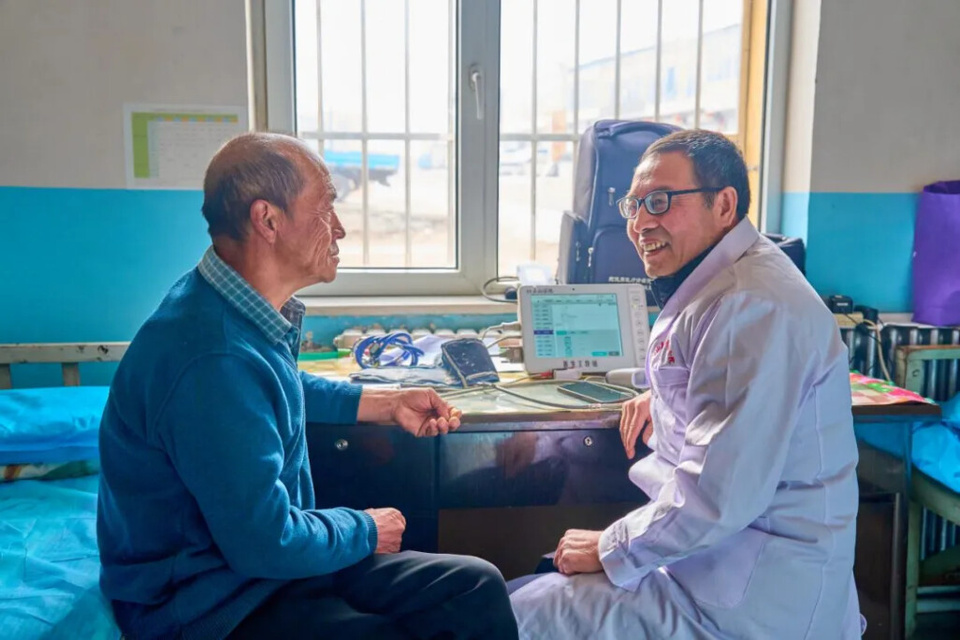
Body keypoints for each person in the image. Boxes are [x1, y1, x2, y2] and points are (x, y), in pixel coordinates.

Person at [97, 132, 519, 640]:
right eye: (325, 210)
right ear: (268, 220)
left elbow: (273, 385)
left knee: (472, 587)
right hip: (209, 602)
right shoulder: (210, 358)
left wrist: (385, 403)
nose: (339, 229)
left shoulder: (226, 305)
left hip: (265, 572)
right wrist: (364, 529)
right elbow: (264, 541)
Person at [509, 129, 862, 639]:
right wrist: (666, 394)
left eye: (659, 201)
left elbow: (718, 496)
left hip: (747, 600)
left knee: (513, 611)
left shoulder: (752, 304)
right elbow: (722, 387)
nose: (640, 223)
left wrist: (612, 547)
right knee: (532, 584)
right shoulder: (726, 283)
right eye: (633, 206)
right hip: (714, 562)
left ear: (724, 204)